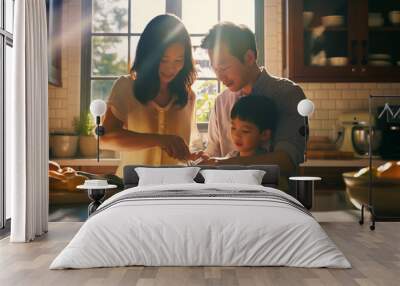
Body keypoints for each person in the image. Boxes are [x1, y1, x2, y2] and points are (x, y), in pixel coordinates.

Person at [100, 14, 202, 177]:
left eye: (178, 60)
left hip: (175, 192)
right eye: (163, 59)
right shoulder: (126, 88)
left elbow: (184, 153)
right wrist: (160, 140)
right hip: (132, 189)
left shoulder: (188, 96)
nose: (171, 68)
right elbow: (105, 138)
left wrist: (192, 157)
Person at [200, 22, 306, 177]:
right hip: (230, 197)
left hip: (273, 197)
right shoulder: (221, 102)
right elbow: (213, 150)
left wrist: (223, 164)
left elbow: (286, 160)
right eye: (215, 69)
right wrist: (202, 160)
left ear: (249, 57)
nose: (220, 77)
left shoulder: (288, 94)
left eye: (223, 68)